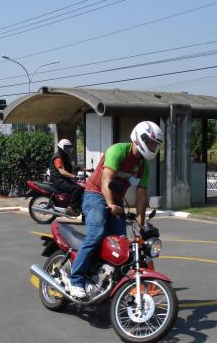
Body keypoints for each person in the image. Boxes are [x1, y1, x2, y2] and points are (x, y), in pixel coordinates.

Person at [68, 121, 163, 298]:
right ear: (139, 138)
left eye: (154, 145)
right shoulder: (117, 151)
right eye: (150, 143)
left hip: (117, 199)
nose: (152, 147)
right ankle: (76, 280)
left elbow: (142, 196)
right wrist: (111, 204)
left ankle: (105, 281)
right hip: (95, 193)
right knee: (96, 233)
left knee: (120, 244)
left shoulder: (144, 166)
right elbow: (105, 181)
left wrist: (141, 224)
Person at [49, 139, 84, 215]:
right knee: (77, 188)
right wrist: (74, 176)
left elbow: (69, 167)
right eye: (66, 147)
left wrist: (84, 169)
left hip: (63, 179)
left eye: (69, 147)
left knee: (81, 186)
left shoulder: (65, 156)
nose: (68, 149)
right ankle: (71, 207)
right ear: (62, 147)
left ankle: (77, 207)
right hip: (58, 181)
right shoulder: (58, 158)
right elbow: (62, 171)